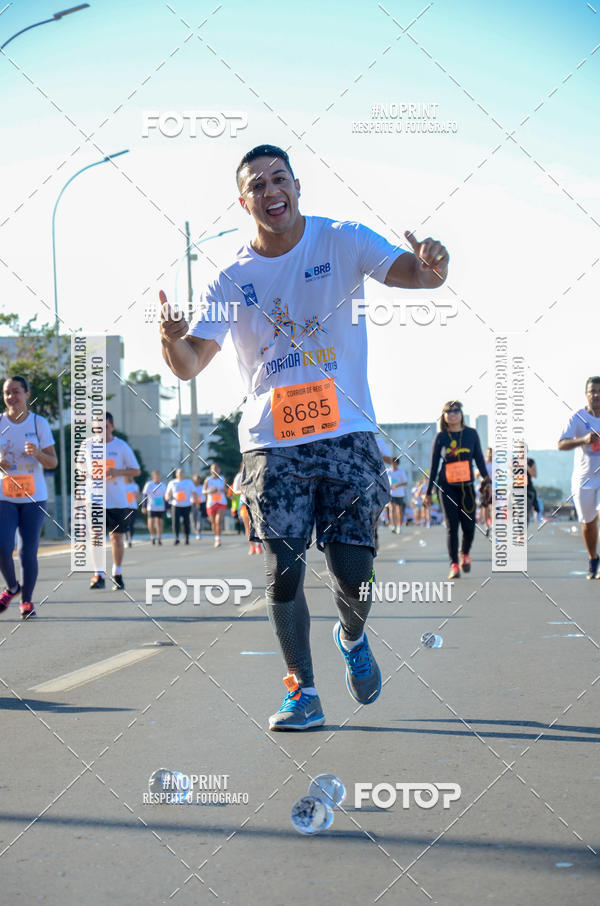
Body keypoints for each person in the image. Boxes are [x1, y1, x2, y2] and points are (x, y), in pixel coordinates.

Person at [159, 143, 448, 729]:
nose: (271, 192)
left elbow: (419, 276)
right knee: (283, 567)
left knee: (351, 571)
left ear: (296, 186)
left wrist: (435, 262)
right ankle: (303, 691)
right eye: (257, 186)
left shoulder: (342, 238)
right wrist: (169, 337)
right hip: (271, 443)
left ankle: (352, 634)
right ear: (243, 201)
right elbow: (190, 364)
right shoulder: (232, 277)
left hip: (347, 435)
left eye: (279, 180)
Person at [0, 376, 57, 619]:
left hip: (34, 497)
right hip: (5, 495)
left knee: (27, 551)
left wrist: (38, 454)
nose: (11, 397)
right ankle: (12, 587)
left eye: (16, 392)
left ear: (27, 394)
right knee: (3, 545)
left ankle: (27, 601)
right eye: (7, 393)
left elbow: (53, 462)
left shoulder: (38, 423)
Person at [425, 401, 487, 579]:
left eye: (456, 410)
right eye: (448, 411)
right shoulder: (441, 437)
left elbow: (480, 459)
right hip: (446, 487)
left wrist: (487, 479)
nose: (452, 414)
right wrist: (428, 492)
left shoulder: (471, 434)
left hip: (467, 487)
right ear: (444, 416)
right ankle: (454, 565)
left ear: (461, 413)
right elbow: (434, 465)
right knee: (452, 526)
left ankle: (465, 554)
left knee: (469, 525)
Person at [89, 412, 141, 591]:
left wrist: (117, 472)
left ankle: (117, 573)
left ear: (112, 426)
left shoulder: (121, 446)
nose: (101, 430)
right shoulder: (87, 446)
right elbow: (80, 470)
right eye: (97, 427)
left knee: (116, 538)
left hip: (116, 500)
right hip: (95, 498)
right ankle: (98, 575)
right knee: (96, 536)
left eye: (105, 426)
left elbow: (136, 471)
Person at [558, 376, 600, 579]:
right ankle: (593, 557)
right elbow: (561, 444)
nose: (597, 395)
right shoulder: (577, 418)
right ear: (586, 394)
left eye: (599, 391)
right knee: (588, 522)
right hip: (584, 478)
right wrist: (583, 439)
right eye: (593, 391)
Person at [233, 462, 263, 555]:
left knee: (257, 525)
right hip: (244, 503)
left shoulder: (255, 473)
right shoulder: (239, 476)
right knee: (248, 526)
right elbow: (235, 490)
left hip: (255, 503)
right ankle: (252, 545)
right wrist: (243, 490)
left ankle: (258, 545)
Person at [165, 468, 196, 545]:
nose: (181, 474)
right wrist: (167, 497)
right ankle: (176, 537)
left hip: (186, 505)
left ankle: (187, 537)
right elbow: (167, 494)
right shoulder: (172, 483)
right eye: (179, 473)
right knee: (175, 522)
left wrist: (196, 501)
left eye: (182, 473)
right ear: (176, 474)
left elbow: (194, 492)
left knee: (186, 522)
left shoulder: (189, 482)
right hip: (176, 505)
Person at [203, 462, 228, 548]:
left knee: (218, 521)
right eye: (213, 469)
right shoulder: (208, 480)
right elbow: (203, 491)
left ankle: (218, 539)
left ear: (219, 470)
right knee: (213, 523)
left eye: (217, 468)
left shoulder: (222, 479)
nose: (215, 470)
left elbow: (226, 490)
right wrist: (210, 491)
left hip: (221, 502)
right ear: (211, 470)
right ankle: (216, 536)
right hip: (211, 503)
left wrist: (223, 490)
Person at [142, 470, 167, 545]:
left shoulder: (163, 485)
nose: (157, 477)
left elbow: (165, 497)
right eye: (156, 475)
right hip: (151, 506)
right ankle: (153, 536)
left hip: (160, 506)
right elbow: (145, 495)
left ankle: (159, 537)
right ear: (153, 476)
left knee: (159, 523)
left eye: (158, 475)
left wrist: (168, 507)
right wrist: (144, 506)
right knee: (151, 523)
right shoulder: (149, 484)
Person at [387, 457, 408, 533]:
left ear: (397, 463)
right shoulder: (388, 472)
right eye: (392, 462)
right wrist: (389, 487)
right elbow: (385, 482)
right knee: (391, 509)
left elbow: (405, 482)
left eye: (394, 463)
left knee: (399, 511)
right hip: (391, 494)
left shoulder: (401, 472)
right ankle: (393, 525)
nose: (393, 464)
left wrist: (397, 485)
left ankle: (399, 526)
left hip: (399, 494)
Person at [478, 447, 493, 536]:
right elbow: (477, 474)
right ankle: (487, 526)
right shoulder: (482, 463)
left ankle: (493, 525)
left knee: (492, 506)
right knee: (485, 506)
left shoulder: (496, 463)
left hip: (493, 487)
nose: (490, 454)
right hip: (484, 487)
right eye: (488, 453)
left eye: (491, 453)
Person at [124, 479, 139, 547]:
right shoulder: (122, 485)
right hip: (125, 507)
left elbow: (137, 496)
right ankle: (127, 539)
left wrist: (132, 495)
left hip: (133, 507)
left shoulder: (134, 485)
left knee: (131, 524)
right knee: (126, 523)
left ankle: (130, 538)